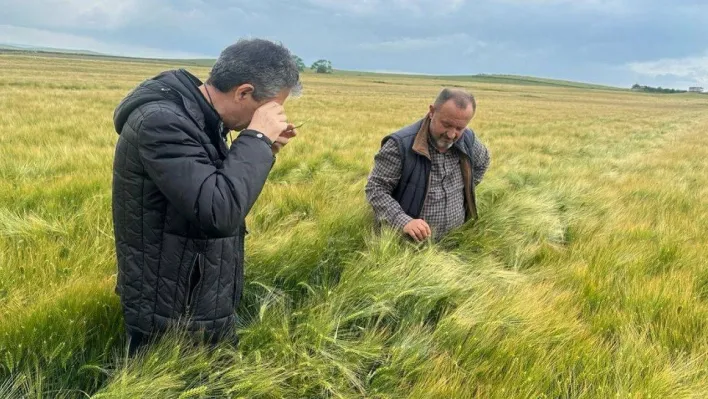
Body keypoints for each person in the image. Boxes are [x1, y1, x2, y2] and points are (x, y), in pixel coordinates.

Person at [111, 38, 302, 355]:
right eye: (270, 109)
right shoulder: (162, 122)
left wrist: (263, 148)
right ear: (243, 92)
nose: (271, 118)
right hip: (171, 314)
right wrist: (254, 139)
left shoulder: (201, 119)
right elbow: (219, 212)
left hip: (195, 301)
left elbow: (220, 189)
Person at [365, 88, 491, 242]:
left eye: (459, 128)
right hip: (409, 247)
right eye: (446, 124)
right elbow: (376, 188)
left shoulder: (468, 140)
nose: (451, 134)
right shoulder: (400, 145)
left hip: (456, 240)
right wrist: (404, 221)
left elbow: (483, 161)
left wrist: (463, 189)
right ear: (432, 112)